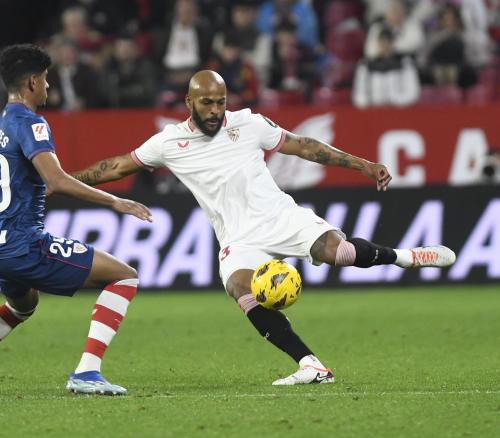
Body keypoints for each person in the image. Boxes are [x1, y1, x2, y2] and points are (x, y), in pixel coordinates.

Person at [69, 70, 457, 386]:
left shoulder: (249, 124)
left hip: (279, 216)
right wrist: (62, 180)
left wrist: (363, 164)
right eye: (207, 103)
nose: (215, 111)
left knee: (337, 252)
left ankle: (406, 258)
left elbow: (304, 146)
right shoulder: (169, 142)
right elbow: (116, 167)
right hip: (237, 236)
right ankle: (311, 365)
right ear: (189, 103)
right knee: (241, 287)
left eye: (221, 103)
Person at [0, 44, 152, 396]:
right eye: (46, 79)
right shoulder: (31, 123)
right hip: (24, 245)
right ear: (32, 82)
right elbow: (57, 180)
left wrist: (1, 223)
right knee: (124, 277)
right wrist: (115, 201)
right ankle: (87, 372)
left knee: (22, 306)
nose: (48, 86)